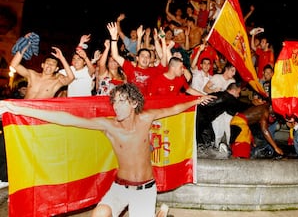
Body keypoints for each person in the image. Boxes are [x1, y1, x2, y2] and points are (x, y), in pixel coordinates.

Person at [0, 83, 214, 217]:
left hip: (146, 189)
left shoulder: (146, 118)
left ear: (133, 103)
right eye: (114, 102)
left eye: (121, 102)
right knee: (100, 214)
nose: (116, 107)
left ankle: (158, 214)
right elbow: (67, 120)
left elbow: (173, 109)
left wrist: (196, 100)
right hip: (120, 187)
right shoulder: (108, 125)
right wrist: (17, 108)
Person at [108, 22, 168, 96]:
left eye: (148, 56)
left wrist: (163, 40)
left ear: (150, 60)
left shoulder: (154, 71)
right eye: (143, 56)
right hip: (132, 102)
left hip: (148, 103)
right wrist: (113, 38)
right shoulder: (130, 68)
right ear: (137, 58)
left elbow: (164, 60)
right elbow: (115, 56)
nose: (145, 58)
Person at [9, 43, 74, 99]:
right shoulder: (32, 75)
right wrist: (23, 49)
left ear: (56, 69)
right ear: (42, 65)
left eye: (53, 64)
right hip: (24, 108)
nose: (49, 65)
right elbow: (14, 65)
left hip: (40, 111)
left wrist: (62, 58)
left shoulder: (56, 81)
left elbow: (71, 78)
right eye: (48, 63)